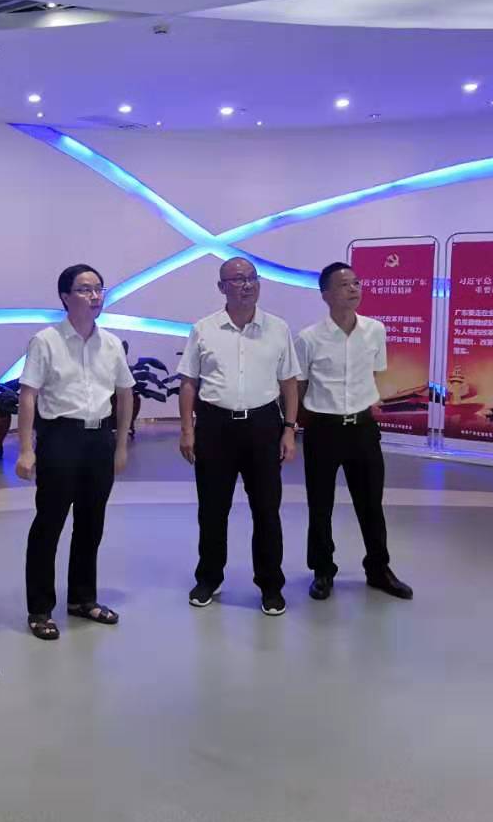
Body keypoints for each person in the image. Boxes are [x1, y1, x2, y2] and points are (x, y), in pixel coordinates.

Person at [15, 264, 134, 641]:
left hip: (99, 439)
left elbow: (125, 393)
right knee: (49, 524)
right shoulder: (45, 341)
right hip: (60, 438)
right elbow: (28, 395)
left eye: (98, 288)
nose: (94, 296)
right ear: (65, 297)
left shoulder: (111, 343)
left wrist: (121, 445)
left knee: (91, 523)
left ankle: (83, 598)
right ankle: (40, 609)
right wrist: (26, 449)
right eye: (84, 289)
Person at [177, 257, 300, 615]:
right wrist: (187, 429)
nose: (247, 285)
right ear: (222, 287)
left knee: (267, 509)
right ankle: (208, 578)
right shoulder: (204, 329)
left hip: (263, 425)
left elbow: (289, 383)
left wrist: (289, 429)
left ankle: (270, 585)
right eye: (237, 279)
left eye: (252, 278)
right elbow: (189, 383)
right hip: (215, 426)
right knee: (212, 509)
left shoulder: (277, 328)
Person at [294, 262, 414, 602]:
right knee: (320, 505)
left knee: (371, 503)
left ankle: (378, 568)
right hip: (323, 430)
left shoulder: (375, 330)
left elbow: (374, 374)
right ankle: (322, 570)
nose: (353, 289)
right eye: (344, 285)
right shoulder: (308, 338)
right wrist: (304, 421)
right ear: (326, 295)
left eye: (357, 283)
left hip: (362, 428)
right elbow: (299, 385)